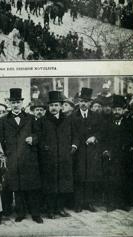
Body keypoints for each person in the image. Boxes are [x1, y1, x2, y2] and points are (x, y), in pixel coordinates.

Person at [0, 88, 43, 223]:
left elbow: (39, 134)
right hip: (13, 158)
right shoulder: (3, 121)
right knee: (18, 186)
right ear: (9, 104)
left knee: (32, 186)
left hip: (29, 157)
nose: (15, 105)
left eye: (18, 102)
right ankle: (21, 213)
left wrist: (34, 139)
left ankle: (35, 213)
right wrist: (3, 154)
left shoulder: (31, 118)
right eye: (13, 102)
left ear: (22, 103)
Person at [39, 91, 76, 219]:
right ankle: (50, 210)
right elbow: (39, 137)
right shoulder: (43, 121)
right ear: (48, 107)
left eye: (56, 105)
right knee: (50, 185)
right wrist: (45, 147)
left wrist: (74, 146)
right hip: (50, 158)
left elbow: (75, 135)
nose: (53, 108)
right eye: (51, 105)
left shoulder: (68, 120)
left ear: (61, 106)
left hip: (64, 157)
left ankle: (60, 208)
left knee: (63, 185)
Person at [71, 87, 102, 212]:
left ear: (90, 103)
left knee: (90, 177)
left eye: (86, 101)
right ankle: (78, 203)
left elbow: (101, 131)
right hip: (78, 152)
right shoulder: (73, 116)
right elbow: (72, 133)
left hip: (91, 151)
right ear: (78, 101)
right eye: (82, 101)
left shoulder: (96, 116)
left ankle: (88, 203)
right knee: (79, 177)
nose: (84, 104)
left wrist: (94, 137)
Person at [102, 95, 133, 211]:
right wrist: (105, 150)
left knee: (124, 180)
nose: (117, 112)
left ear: (123, 110)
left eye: (119, 109)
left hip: (125, 156)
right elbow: (103, 138)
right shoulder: (107, 123)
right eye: (115, 109)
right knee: (111, 180)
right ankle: (111, 203)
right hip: (111, 157)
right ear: (112, 110)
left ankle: (123, 203)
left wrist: (130, 147)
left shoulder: (129, 123)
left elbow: (132, 138)